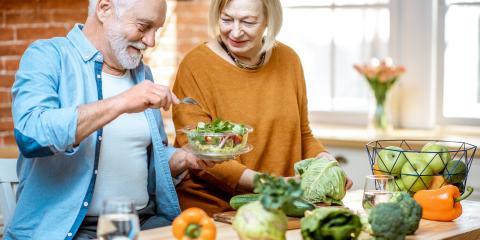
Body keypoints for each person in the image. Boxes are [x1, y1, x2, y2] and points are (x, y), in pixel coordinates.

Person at [5, 0, 216, 239]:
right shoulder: (48, 56)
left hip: (143, 222)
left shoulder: (141, 74)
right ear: (104, 9)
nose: (151, 41)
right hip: (71, 230)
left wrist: (184, 158)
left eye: (156, 30)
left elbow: (137, 164)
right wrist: (121, 102)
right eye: (143, 26)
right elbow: (31, 135)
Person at [172, 0, 353, 216]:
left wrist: (326, 163)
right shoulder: (196, 65)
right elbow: (197, 150)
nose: (236, 32)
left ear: (269, 19)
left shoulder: (288, 60)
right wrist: (269, 184)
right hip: (216, 210)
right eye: (227, 19)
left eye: (248, 22)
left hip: (279, 205)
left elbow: (302, 134)